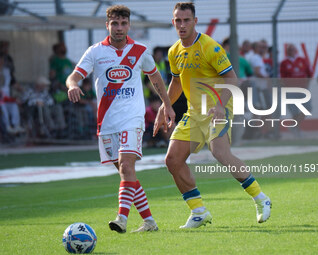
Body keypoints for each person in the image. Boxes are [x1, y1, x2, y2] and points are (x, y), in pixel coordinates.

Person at [154, 2, 271, 229]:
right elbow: (176, 81)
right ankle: (198, 211)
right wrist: (164, 106)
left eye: (186, 20)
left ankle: (261, 198)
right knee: (172, 160)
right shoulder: (174, 51)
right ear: (173, 22)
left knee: (219, 152)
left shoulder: (210, 47)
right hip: (194, 113)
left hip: (219, 108)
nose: (182, 24)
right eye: (178, 20)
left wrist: (219, 104)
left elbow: (232, 79)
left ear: (195, 22)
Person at [66, 5, 175, 233]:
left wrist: (166, 104)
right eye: (114, 23)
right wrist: (73, 85)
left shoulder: (140, 51)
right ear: (107, 25)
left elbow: (155, 77)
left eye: (123, 23)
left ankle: (121, 219)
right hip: (106, 122)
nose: (119, 28)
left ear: (129, 25)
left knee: (126, 166)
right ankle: (150, 222)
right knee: (128, 176)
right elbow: (73, 76)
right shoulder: (95, 52)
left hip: (132, 119)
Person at [280, 43, 312, 137]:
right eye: (289, 50)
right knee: (294, 111)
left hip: (302, 89)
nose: (291, 51)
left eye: (293, 49)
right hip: (290, 90)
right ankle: (296, 129)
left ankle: (294, 127)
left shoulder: (302, 60)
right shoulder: (284, 63)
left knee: (307, 108)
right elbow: (282, 78)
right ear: (287, 51)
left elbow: (309, 74)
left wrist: (307, 85)